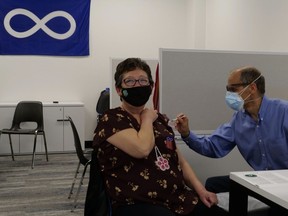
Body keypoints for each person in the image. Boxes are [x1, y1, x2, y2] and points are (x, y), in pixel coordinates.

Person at [92, 58, 228, 216]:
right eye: (130, 81)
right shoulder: (111, 119)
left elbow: (180, 161)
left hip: (178, 198)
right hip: (136, 202)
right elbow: (142, 148)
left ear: (151, 86)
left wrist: (201, 190)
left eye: (143, 80)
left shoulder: (161, 119)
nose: (138, 85)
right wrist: (148, 119)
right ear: (119, 89)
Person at [175, 66, 288, 214]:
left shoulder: (284, 112)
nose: (228, 94)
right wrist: (187, 134)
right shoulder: (238, 119)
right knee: (213, 184)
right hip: (263, 181)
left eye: (232, 89)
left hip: (283, 183)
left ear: (252, 87)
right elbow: (213, 147)